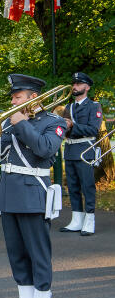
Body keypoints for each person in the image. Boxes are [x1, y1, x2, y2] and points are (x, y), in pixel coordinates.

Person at [0, 74, 66, 298]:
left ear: (33, 97)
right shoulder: (10, 122)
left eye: (17, 97)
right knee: (16, 253)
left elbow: (44, 149)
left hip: (33, 193)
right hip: (8, 193)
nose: (12, 103)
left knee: (37, 252)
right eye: (12, 98)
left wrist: (20, 123)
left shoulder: (53, 122)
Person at [60, 72, 102, 235]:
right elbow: (64, 129)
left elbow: (93, 129)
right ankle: (77, 219)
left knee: (87, 186)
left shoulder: (94, 106)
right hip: (70, 150)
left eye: (78, 84)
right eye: (74, 84)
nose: (75, 86)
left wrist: (72, 126)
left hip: (85, 150)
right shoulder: (68, 107)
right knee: (73, 186)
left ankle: (89, 220)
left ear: (87, 87)